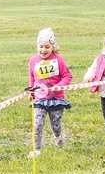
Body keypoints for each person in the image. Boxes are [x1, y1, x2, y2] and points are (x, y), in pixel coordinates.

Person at [27, 27, 72, 155]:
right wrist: (32, 92)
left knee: (56, 125)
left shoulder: (58, 60)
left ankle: (58, 137)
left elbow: (68, 76)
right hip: (40, 99)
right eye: (41, 46)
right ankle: (37, 150)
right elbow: (32, 77)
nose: (43, 50)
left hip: (56, 99)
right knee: (37, 125)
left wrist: (60, 85)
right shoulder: (33, 60)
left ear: (52, 47)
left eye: (47, 47)